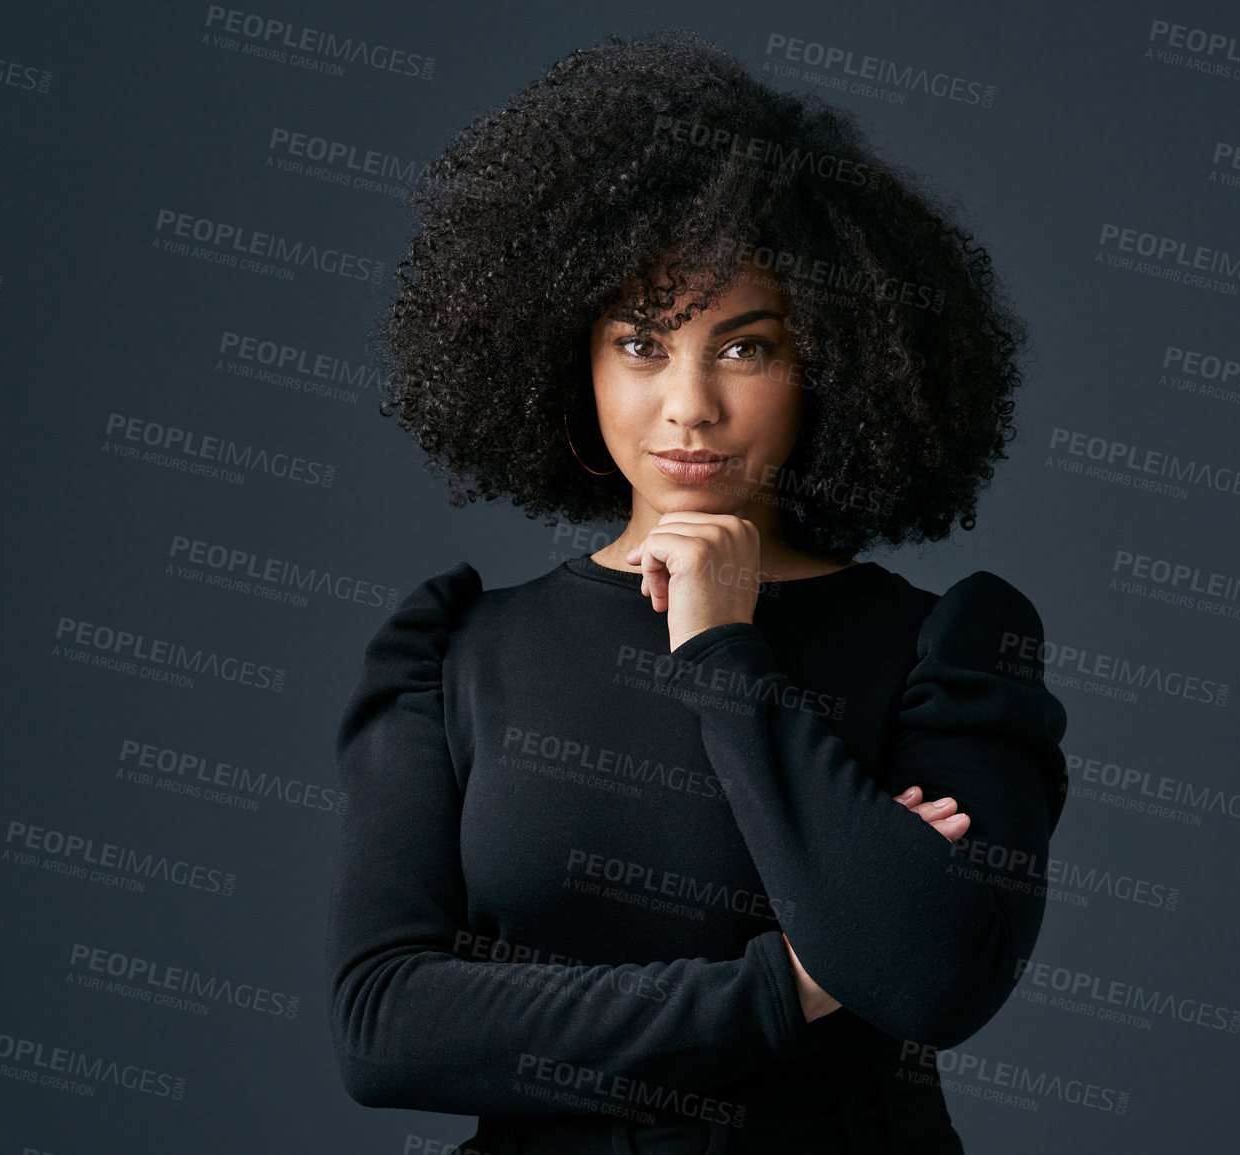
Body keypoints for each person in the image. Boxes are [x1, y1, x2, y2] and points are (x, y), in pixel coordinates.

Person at [326, 29, 1069, 1155]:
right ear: (566, 360)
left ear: (837, 363)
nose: (687, 407)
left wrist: (724, 650)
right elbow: (385, 1032)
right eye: (640, 342)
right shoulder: (455, 655)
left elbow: (930, 981)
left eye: (745, 349)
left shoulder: (947, 650)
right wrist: (795, 983)